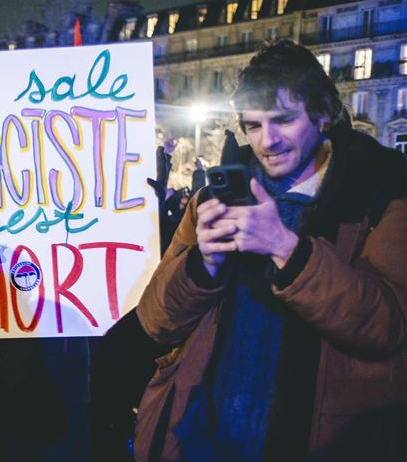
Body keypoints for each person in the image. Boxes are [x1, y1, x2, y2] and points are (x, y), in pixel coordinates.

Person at [133, 40, 406, 462]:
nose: (268, 141)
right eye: (253, 125)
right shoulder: (215, 197)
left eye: (284, 120)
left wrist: (286, 249)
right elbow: (154, 323)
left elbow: (388, 327)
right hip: (204, 439)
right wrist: (202, 265)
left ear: (324, 113)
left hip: (320, 443)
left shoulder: (383, 196)